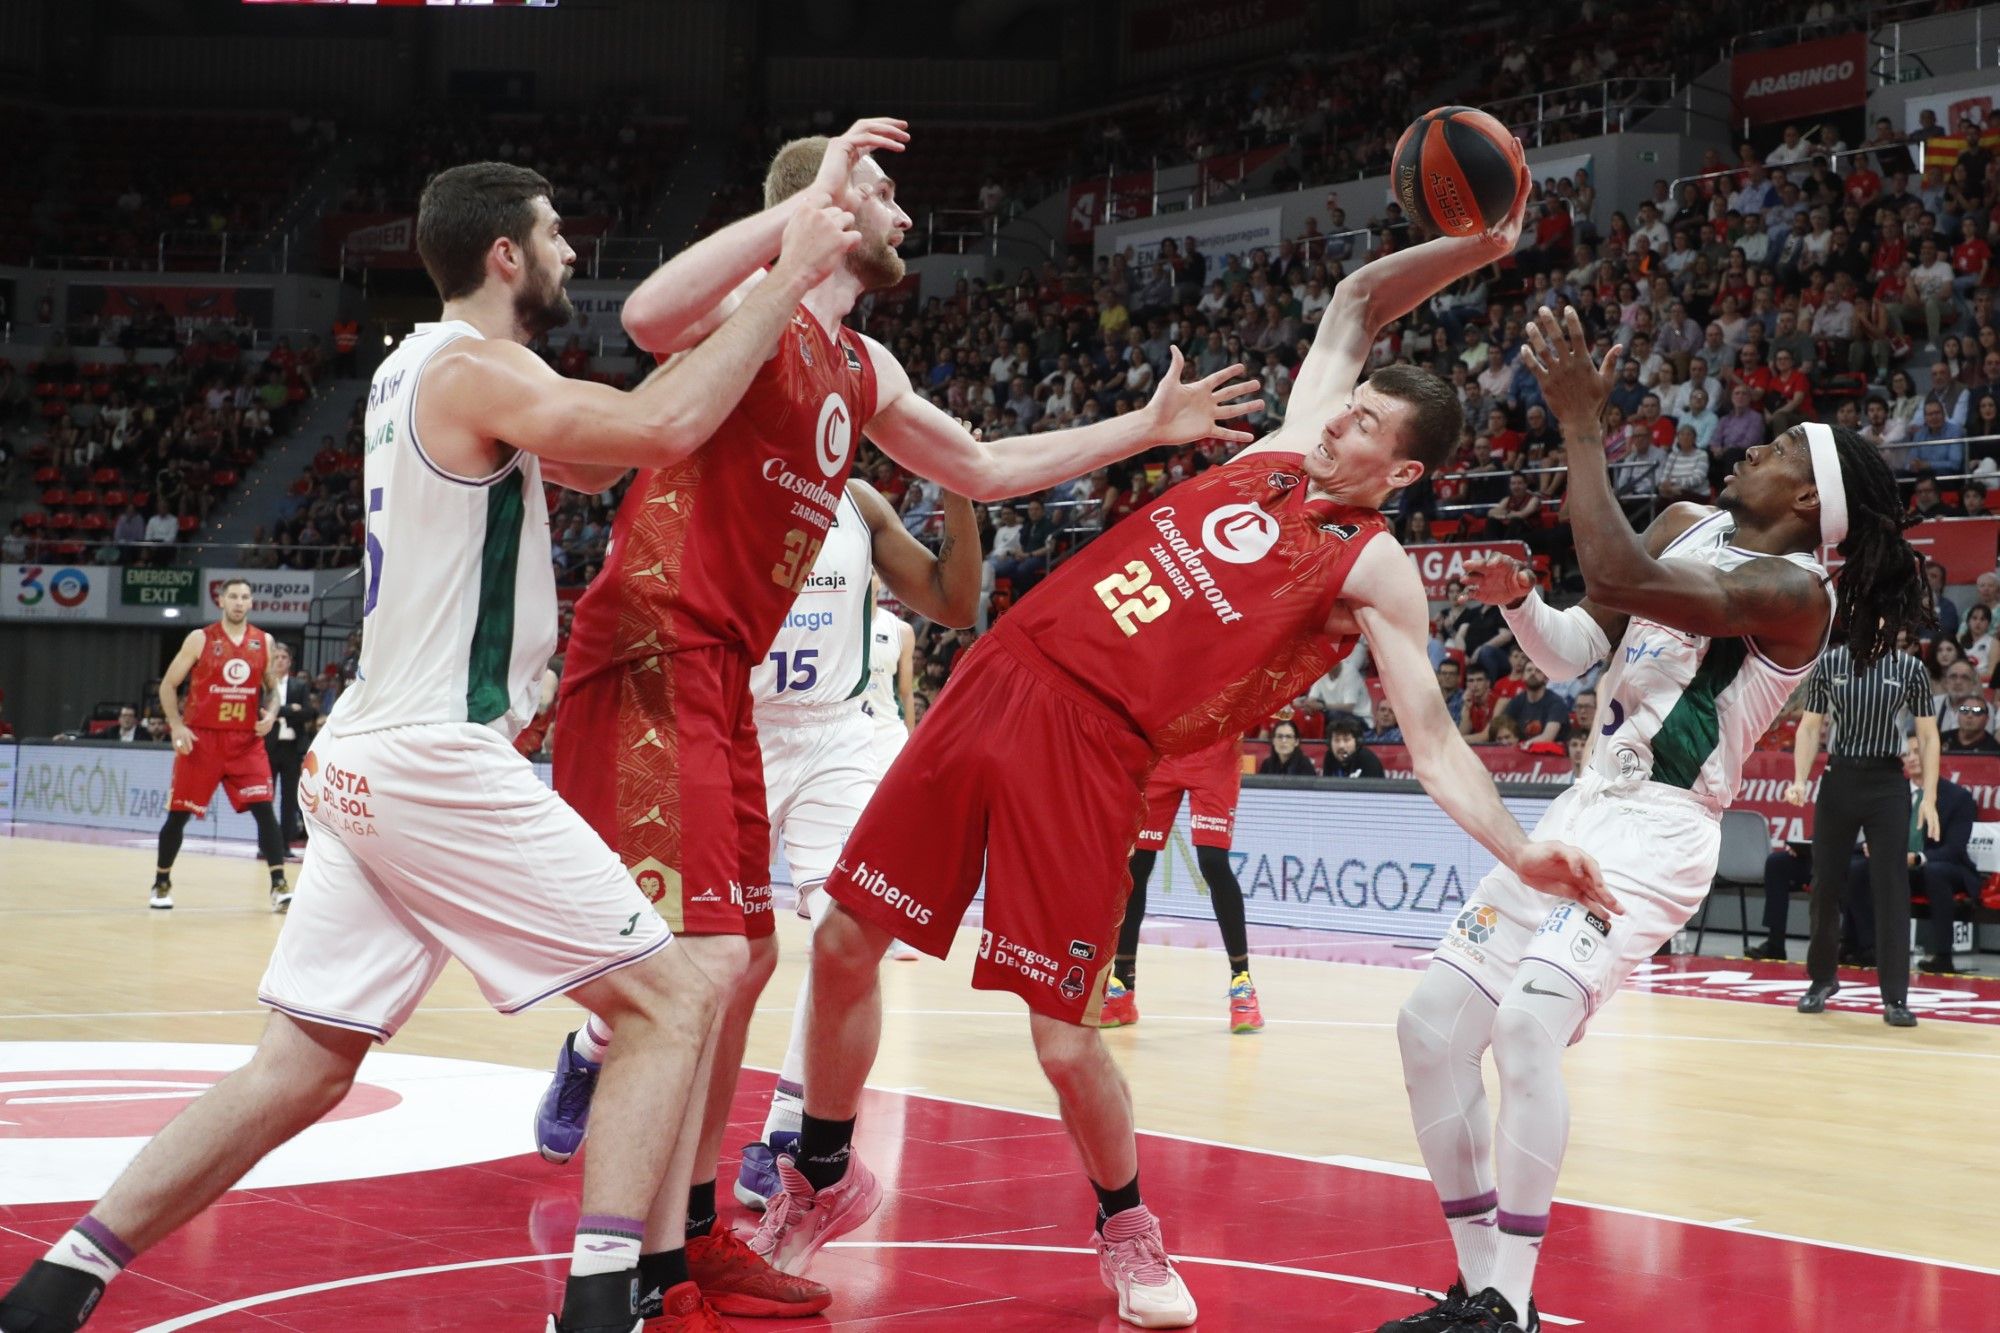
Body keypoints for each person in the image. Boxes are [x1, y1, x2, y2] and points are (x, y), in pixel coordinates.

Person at [0, 159, 864, 1333]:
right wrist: (789, 272)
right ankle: (604, 1304)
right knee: (671, 998)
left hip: (363, 757)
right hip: (431, 757)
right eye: (554, 235)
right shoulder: (472, 366)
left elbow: (607, 456)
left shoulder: (419, 364)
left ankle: (57, 1286)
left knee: (299, 1068)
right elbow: (663, 424)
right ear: (503, 253)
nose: (570, 255)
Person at [770, 154, 1608, 1331]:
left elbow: (1433, 745)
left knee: (1062, 1035)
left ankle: (1126, 1226)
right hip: (1003, 673)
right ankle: (816, 1175)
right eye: (1347, 402)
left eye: (1365, 422)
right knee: (846, 938)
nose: (1338, 419)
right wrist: (1479, 244)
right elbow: (1359, 301)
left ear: (1402, 470)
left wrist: (1518, 854)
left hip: (1095, 744)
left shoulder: (1372, 570)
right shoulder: (1281, 449)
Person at [531, 120, 1261, 1326]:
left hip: (729, 680)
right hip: (656, 649)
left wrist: (1144, 430)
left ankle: (687, 1236)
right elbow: (651, 319)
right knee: (706, 967)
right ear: (819, 203)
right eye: (881, 194)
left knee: (751, 957)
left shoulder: (859, 367)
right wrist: (799, 218)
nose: (906, 219)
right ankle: (617, 1275)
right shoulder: (753, 310)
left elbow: (976, 467)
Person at [1383, 306, 1932, 1333]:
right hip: (1586, 803)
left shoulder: (1791, 594)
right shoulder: (1688, 521)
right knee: (1427, 1028)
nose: (1749, 445)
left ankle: (1508, 1300)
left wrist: (1580, 426)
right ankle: (1479, 1291)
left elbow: (1617, 576)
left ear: (1805, 497)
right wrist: (1515, 604)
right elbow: (1571, 646)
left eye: (1771, 447)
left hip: (1659, 832)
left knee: (1523, 1023)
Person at [733, 482, 979, 1212]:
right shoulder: (723, 478)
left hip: (838, 735)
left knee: (844, 929)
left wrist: (961, 494)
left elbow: (956, 603)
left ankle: (787, 1127)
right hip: (737, 730)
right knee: (699, 952)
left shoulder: (859, 504)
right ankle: (592, 1047)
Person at [1787, 612, 1939, 1030]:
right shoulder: (1830, 664)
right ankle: (1821, 979)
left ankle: (1895, 997)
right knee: (1824, 884)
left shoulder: (1910, 669)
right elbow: (1809, 726)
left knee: (1890, 887)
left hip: (1887, 782)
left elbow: (1927, 736)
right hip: (1839, 778)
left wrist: (1930, 797)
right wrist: (1800, 779)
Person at [147, 578, 289, 913]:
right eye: (233, 597)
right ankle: (161, 881)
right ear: (221, 601)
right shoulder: (200, 639)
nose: (239, 602)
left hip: (245, 742)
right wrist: (177, 724)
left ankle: (279, 884)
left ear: (251, 603)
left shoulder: (263, 641)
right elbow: (168, 685)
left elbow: (273, 690)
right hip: (203, 740)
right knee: (179, 816)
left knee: (265, 810)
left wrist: (271, 713)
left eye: (245, 597)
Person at [1103, 734, 1260, 1034]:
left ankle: (1242, 983)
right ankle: (1123, 986)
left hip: (1215, 752)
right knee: (1136, 865)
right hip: (1164, 748)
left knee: (1213, 862)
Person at [263, 642, 318, 846]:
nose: (280, 661)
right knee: (265, 799)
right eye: (276, 657)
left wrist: (277, 712)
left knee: (289, 800)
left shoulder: (299, 685)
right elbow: (261, 711)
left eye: (284, 657)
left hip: (292, 748)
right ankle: (265, 845)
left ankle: (284, 845)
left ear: (290, 661)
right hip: (269, 748)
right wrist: (288, 710)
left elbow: (307, 713)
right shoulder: (265, 686)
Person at [1322, 716, 1386, 778]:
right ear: (1329, 743)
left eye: (1346, 740)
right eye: (1336, 740)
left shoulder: (1367, 760)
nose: (1341, 746)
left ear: (1357, 742)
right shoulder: (1330, 756)